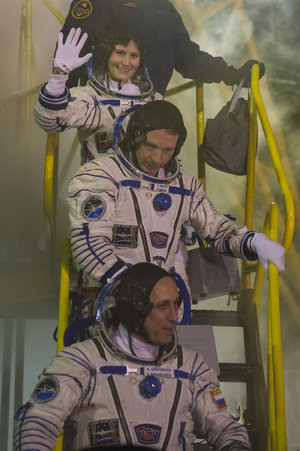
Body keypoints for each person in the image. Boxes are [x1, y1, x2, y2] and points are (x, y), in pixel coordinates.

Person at [14, 262, 252, 450]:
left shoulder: (194, 367)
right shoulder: (82, 361)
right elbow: (39, 419)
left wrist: (236, 445)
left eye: (176, 304)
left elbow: (224, 424)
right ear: (135, 310)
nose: (174, 317)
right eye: (162, 306)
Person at [67, 99, 285, 292]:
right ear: (134, 138)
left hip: (169, 305)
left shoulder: (185, 186)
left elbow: (217, 230)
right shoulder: (99, 175)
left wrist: (253, 241)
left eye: (167, 150)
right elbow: (89, 244)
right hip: (113, 300)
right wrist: (132, 289)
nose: (157, 158)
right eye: (150, 146)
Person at [60, 0, 265, 95]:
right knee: (109, 179)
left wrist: (230, 74)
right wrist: (60, 93)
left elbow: (186, 55)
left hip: (152, 107)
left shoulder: (163, 7)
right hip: (108, 106)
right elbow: (72, 46)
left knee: (154, 178)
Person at [34, 23, 162, 164]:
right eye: (120, 53)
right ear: (107, 55)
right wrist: (59, 74)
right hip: (100, 182)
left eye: (134, 55)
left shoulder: (154, 100)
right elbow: (50, 121)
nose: (126, 62)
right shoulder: (90, 98)